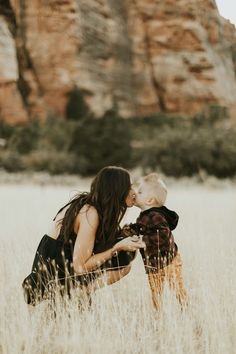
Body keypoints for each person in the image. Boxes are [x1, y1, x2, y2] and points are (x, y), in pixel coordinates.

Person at [22, 166, 145, 306]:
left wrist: (142, 208)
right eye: (128, 186)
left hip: (66, 268)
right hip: (52, 274)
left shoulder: (99, 209)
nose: (133, 191)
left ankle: (78, 294)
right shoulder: (89, 213)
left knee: (123, 260)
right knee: (122, 261)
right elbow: (80, 267)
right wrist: (116, 247)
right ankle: (79, 293)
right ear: (117, 189)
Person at [123, 173, 187, 310]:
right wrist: (130, 230)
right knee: (156, 293)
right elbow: (143, 229)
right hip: (152, 263)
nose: (135, 193)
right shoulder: (145, 216)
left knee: (177, 288)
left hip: (169, 261)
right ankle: (157, 315)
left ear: (150, 200)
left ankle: (185, 309)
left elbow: (162, 235)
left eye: (140, 192)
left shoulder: (156, 216)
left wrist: (143, 240)